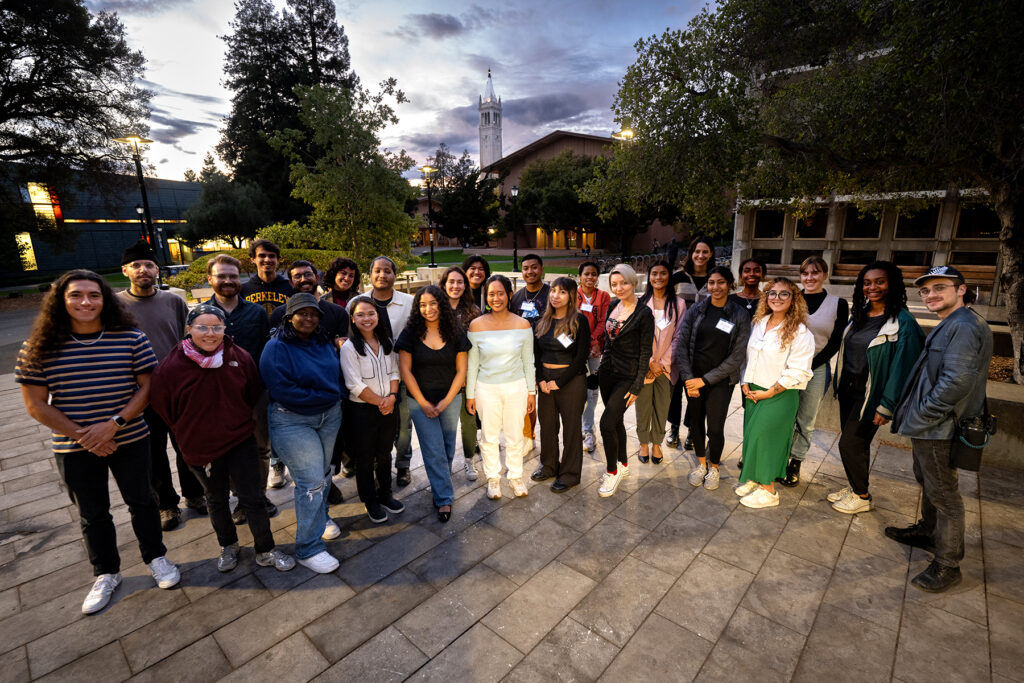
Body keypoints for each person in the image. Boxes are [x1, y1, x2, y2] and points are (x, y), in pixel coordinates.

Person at [16, 270, 179, 615]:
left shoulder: (131, 338)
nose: (85, 302)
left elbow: (148, 387)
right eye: (76, 295)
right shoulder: (38, 347)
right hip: (75, 447)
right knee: (92, 512)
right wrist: (86, 435)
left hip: (131, 437)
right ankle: (106, 572)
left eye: (94, 295)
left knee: (143, 502)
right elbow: (35, 405)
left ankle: (156, 557)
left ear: (106, 300)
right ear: (61, 302)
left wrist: (114, 425)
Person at [150, 305, 295, 574]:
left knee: (253, 496)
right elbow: (163, 406)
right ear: (189, 329)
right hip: (200, 446)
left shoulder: (238, 356)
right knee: (215, 499)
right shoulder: (171, 366)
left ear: (225, 329)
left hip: (240, 439)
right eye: (202, 327)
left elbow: (252, 392)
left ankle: (266, 549)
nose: (210, 333)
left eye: (217, 327)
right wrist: (189, 428)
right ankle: (228, 545)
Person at [890, 266, 992, 592]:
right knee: (929, 482)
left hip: (939, 427)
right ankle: (928, 532)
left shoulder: (964, 326)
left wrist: (923, 414)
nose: (931, 295)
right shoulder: (954, 322)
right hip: (932, 426)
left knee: (945, 496)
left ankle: (948, 565)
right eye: (926, 291)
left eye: (939, 288)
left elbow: (956, 381)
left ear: (961, 289)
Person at [117, 240, 205, 530]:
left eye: (149, 265)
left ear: (157, 270)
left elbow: (186, 340)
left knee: (186, 444)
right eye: (137, 266)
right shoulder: (116, 306)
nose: (143, 270)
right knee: (153, 450)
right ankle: (167, 504)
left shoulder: (174, 301)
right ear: (126, 271)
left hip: (177, 388)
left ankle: (194, 494)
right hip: (139, 393)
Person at [828, 261, 924, 515]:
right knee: (857, 445)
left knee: (849, 444)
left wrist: (887, 404)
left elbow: (903, 370)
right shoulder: (859, 313)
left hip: (871, 394)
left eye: (880, 281)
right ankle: (855, 486)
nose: (873, 287)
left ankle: (861, 496)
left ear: (892, 284)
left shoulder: (903, 323)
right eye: (867, 282)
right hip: (849, 388)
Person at [260, 293, 343, 573]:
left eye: (313, 313)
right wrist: (325, 394)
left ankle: (321, 520)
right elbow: (282, 389)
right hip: (292, 419)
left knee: (324, 472)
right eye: (302, 313)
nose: (308, 318)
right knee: (310, 482)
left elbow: (336, 375)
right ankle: (308, 548)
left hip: (329, 415)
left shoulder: (322, 342)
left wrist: (332, 395)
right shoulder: (276, 347)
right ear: (289, 316)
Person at [268, 260, 350, 497]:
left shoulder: (335, 313)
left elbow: (342, 351)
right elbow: (278, 367)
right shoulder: (279, 320)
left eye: (308, 274)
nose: (303, 279)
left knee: (329, 453)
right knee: (307, 462)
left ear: (317, 276)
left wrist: (336, 393)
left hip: (330, 397)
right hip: (294, 406)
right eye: (297, 276)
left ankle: (327, 483)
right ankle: (311, 489)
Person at [205, 254, 276, 523]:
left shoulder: (256, 313)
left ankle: (258, 495)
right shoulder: (200, 314)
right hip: (219, 396)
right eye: (221, 276)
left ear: (241, 279)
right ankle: (243, 499)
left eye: (233, 276)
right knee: (228, 450)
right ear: (210, 279)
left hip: (254, 392)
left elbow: (266, 351)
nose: (227, 281)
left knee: (260, 448)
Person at [736, 277, 815, 509]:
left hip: (779, 394)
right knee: (753, 437)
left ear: (794, 299)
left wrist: (770, 392)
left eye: (784, 294)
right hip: (754, 390)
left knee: (768, 439)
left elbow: (799, 370)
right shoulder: (760, 322)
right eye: (772, 293)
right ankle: (756, 479)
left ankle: (769, 491)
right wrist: (745, 382)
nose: (777, 298)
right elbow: (749, 356)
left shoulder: (800, 331)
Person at [396, 286, 471, 522]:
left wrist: (445, 401)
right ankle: (444, 498)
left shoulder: (455, 332)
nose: (428, 309)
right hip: (419, 401)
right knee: (433, 450)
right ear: (417, 308)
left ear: (442, 305)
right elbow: (405, 371)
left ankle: (440, 487)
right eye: (423, 305)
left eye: (433, 303)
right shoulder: (410, 333)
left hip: (450, 398)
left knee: (448, 447)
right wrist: (424, 403)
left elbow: (462, 372)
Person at [676, 267, 751, 489]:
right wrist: (690, 378)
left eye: (720, 282)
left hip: (719, 381)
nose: (715, 287)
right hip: (693, 377)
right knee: (696, 423)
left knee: (715, 428)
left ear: (730, 285)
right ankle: (701, 464)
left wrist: (705, 380)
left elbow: (737, 356)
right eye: (711, 283)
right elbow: (682, 344)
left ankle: (715, 467)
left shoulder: (739, 314)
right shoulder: (697, 310)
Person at [780, 255, 849, 487]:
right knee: (783, 416)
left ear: (824, 275)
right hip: (786, 367)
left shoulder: (838, 304)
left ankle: (796, 461)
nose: (810, 277)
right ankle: (779, 459)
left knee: (806, 419)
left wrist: (809, 365)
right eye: (805, 273)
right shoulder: (789, 299)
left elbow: (835, 341)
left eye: (815, 272)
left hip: (816, 368)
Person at [466, 275, 536, 500]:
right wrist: (470, 395)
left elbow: (528, 362)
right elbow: (472, 365)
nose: (495, 298)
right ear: (486, 297)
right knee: (489, 436)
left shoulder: (522, 324)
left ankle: (516, 476)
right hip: (486, 389)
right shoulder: (476, 326)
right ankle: (493, 478)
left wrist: (531, 392)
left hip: (516, 388)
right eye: (491, 294)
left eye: (500, 293)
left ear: (509, 295)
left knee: (515, 436)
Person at [341, 296, 405, 523]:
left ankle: (385, 494)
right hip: (363, 412)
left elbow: (395, 372)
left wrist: (392, 397)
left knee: (385, 454)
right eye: (360, 314)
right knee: (365, 458)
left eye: (371, 313)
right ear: (352, 318)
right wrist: (381, 402)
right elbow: (354, 384)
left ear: (378, 316)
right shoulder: (349, 347)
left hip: (388, 406)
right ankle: (370, 500)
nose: (366, 319)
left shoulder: (386, 341)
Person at [598, 264, 654, 497]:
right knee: (617, 421)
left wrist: (637, 385)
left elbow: (645, 353)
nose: (619, 288)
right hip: (607, 374)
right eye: (614, 284)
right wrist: (599, 369)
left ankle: (612, 473)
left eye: (624, 283)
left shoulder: (644, 314)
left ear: (634, 283)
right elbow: (608, 343)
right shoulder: (612, 305)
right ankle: (623, 464)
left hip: (627, 376)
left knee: (606, 423)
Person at [530, 277, 590, 492]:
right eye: (553, 290)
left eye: (562, 292)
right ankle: (549, 466)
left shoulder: (578, 321)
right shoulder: (542, 321)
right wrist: (540, 380)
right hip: (545, 381)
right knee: (547, 426)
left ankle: (570, 474)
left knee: (571, 429)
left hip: (571, 381)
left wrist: (558, 382)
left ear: (571, 296)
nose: (555, 295)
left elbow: (581, 356)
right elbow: (535, 355)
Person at [365, 256, 415, 487]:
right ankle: (378, 464)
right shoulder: (359, 302)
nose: (382, 275)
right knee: (376, 424)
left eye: (387, 271)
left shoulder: (409, 302)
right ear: (370, 275)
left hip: (403, 373)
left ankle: (403, 465)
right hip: (372, 376)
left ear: (395, 275)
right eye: (377, 270)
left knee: (404, 423)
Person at [667, 235, 715, 449]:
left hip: (704, 344)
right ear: (690, 254)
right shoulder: (678, 278)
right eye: (697, 251)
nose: (701, 255)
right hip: (679, 341)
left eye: (705, 251)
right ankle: (674, 427)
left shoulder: (715, 278)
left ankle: (692, 430)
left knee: (695, 389)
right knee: (675, 387)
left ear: (711, 254)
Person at [636, 261, 686, 464]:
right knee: (643, 406)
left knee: (662, 406)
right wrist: (649, 362)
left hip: (666, 367)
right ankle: (643, 443)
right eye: (654, 273)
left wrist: (661, 364)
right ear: (649, 277)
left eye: (663, 273)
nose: (658, 277)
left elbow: (679, 336)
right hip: (644, 366)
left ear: (669, 276)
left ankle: (657, 442)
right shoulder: (640, 302)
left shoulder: (679, 304)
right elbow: (636, 336)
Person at [441, 266, 482, 481]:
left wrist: (469, 375)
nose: (456, 286)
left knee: (469, 421)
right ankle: (444, 464)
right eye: (451, 281)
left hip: (467, 376)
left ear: (465, 286)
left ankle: (469, 459)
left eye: (460, 282)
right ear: (444, 284)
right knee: (444, 424)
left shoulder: (473, 311)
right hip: (441, 375)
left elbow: (477, 347)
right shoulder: (435, 308)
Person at [509, 254, 549, 447]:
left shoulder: (552, 294)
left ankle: (549, 438)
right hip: (524, 355)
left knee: (548, 400)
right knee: (527, 397)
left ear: (542, 269)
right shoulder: (516, 297)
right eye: (525, 268)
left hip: (548, 354)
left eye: (534, 267)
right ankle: (528, 436)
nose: (530, 272)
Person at [577, 260, 610, 453]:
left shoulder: (604, 296)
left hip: (596, 350)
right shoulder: (573, 294)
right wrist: (583, 344)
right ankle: (578, 428)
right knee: (577, 390)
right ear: (580, 276)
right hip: (575, 349)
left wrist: (594, 342)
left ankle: (589, 430)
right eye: (586, 274)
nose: (590, 277)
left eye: (594, 274)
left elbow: (603, 320)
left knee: (592, 389)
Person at [240, 238, 293, 315]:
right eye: (262, 255)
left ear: (278, 260)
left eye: (272, 256)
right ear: (253, 259)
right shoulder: (243, 290)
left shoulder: (291, 288)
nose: (267, 260)